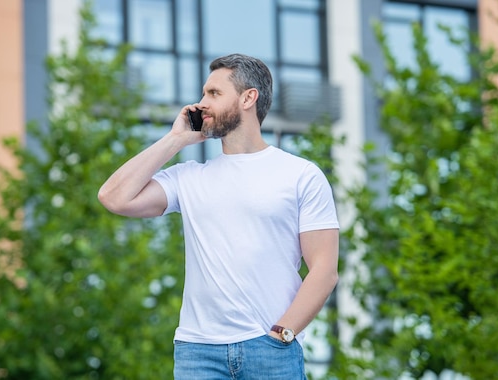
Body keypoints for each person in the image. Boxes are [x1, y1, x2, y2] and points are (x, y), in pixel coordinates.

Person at [98, 53, 339, 379]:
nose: (201, 104)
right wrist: (177, 139)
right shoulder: (188, 177)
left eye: (214, 93)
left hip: (270, 350)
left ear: (248, 98)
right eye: (203, 93)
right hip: (197, 352)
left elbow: (324, 270)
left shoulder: (300, 175)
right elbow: (113, 197)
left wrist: (282, 333)